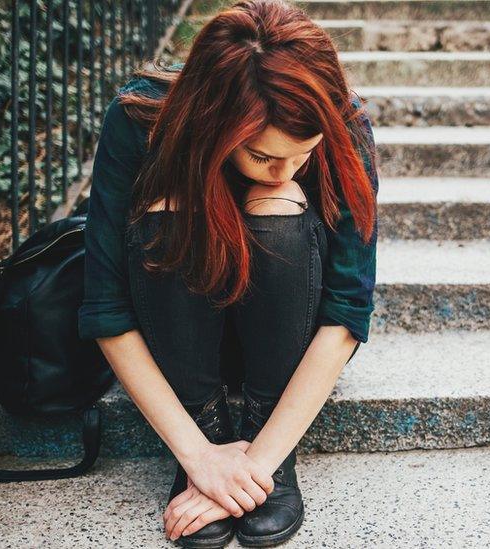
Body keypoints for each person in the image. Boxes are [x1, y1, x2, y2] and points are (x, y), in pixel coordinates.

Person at [77, 0, 379, 545]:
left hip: (289, 342)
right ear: (214, 124)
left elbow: (347, 311)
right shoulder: (139, 120)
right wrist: (201, 457)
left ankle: (260, 424)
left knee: (277, 203)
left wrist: (259, 464)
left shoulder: (345, 121)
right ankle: (210, 423)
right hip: (177, 337)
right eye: (263, 155)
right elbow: (106, 307)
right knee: (171, 206)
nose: (287, 169)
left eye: (302, 153)